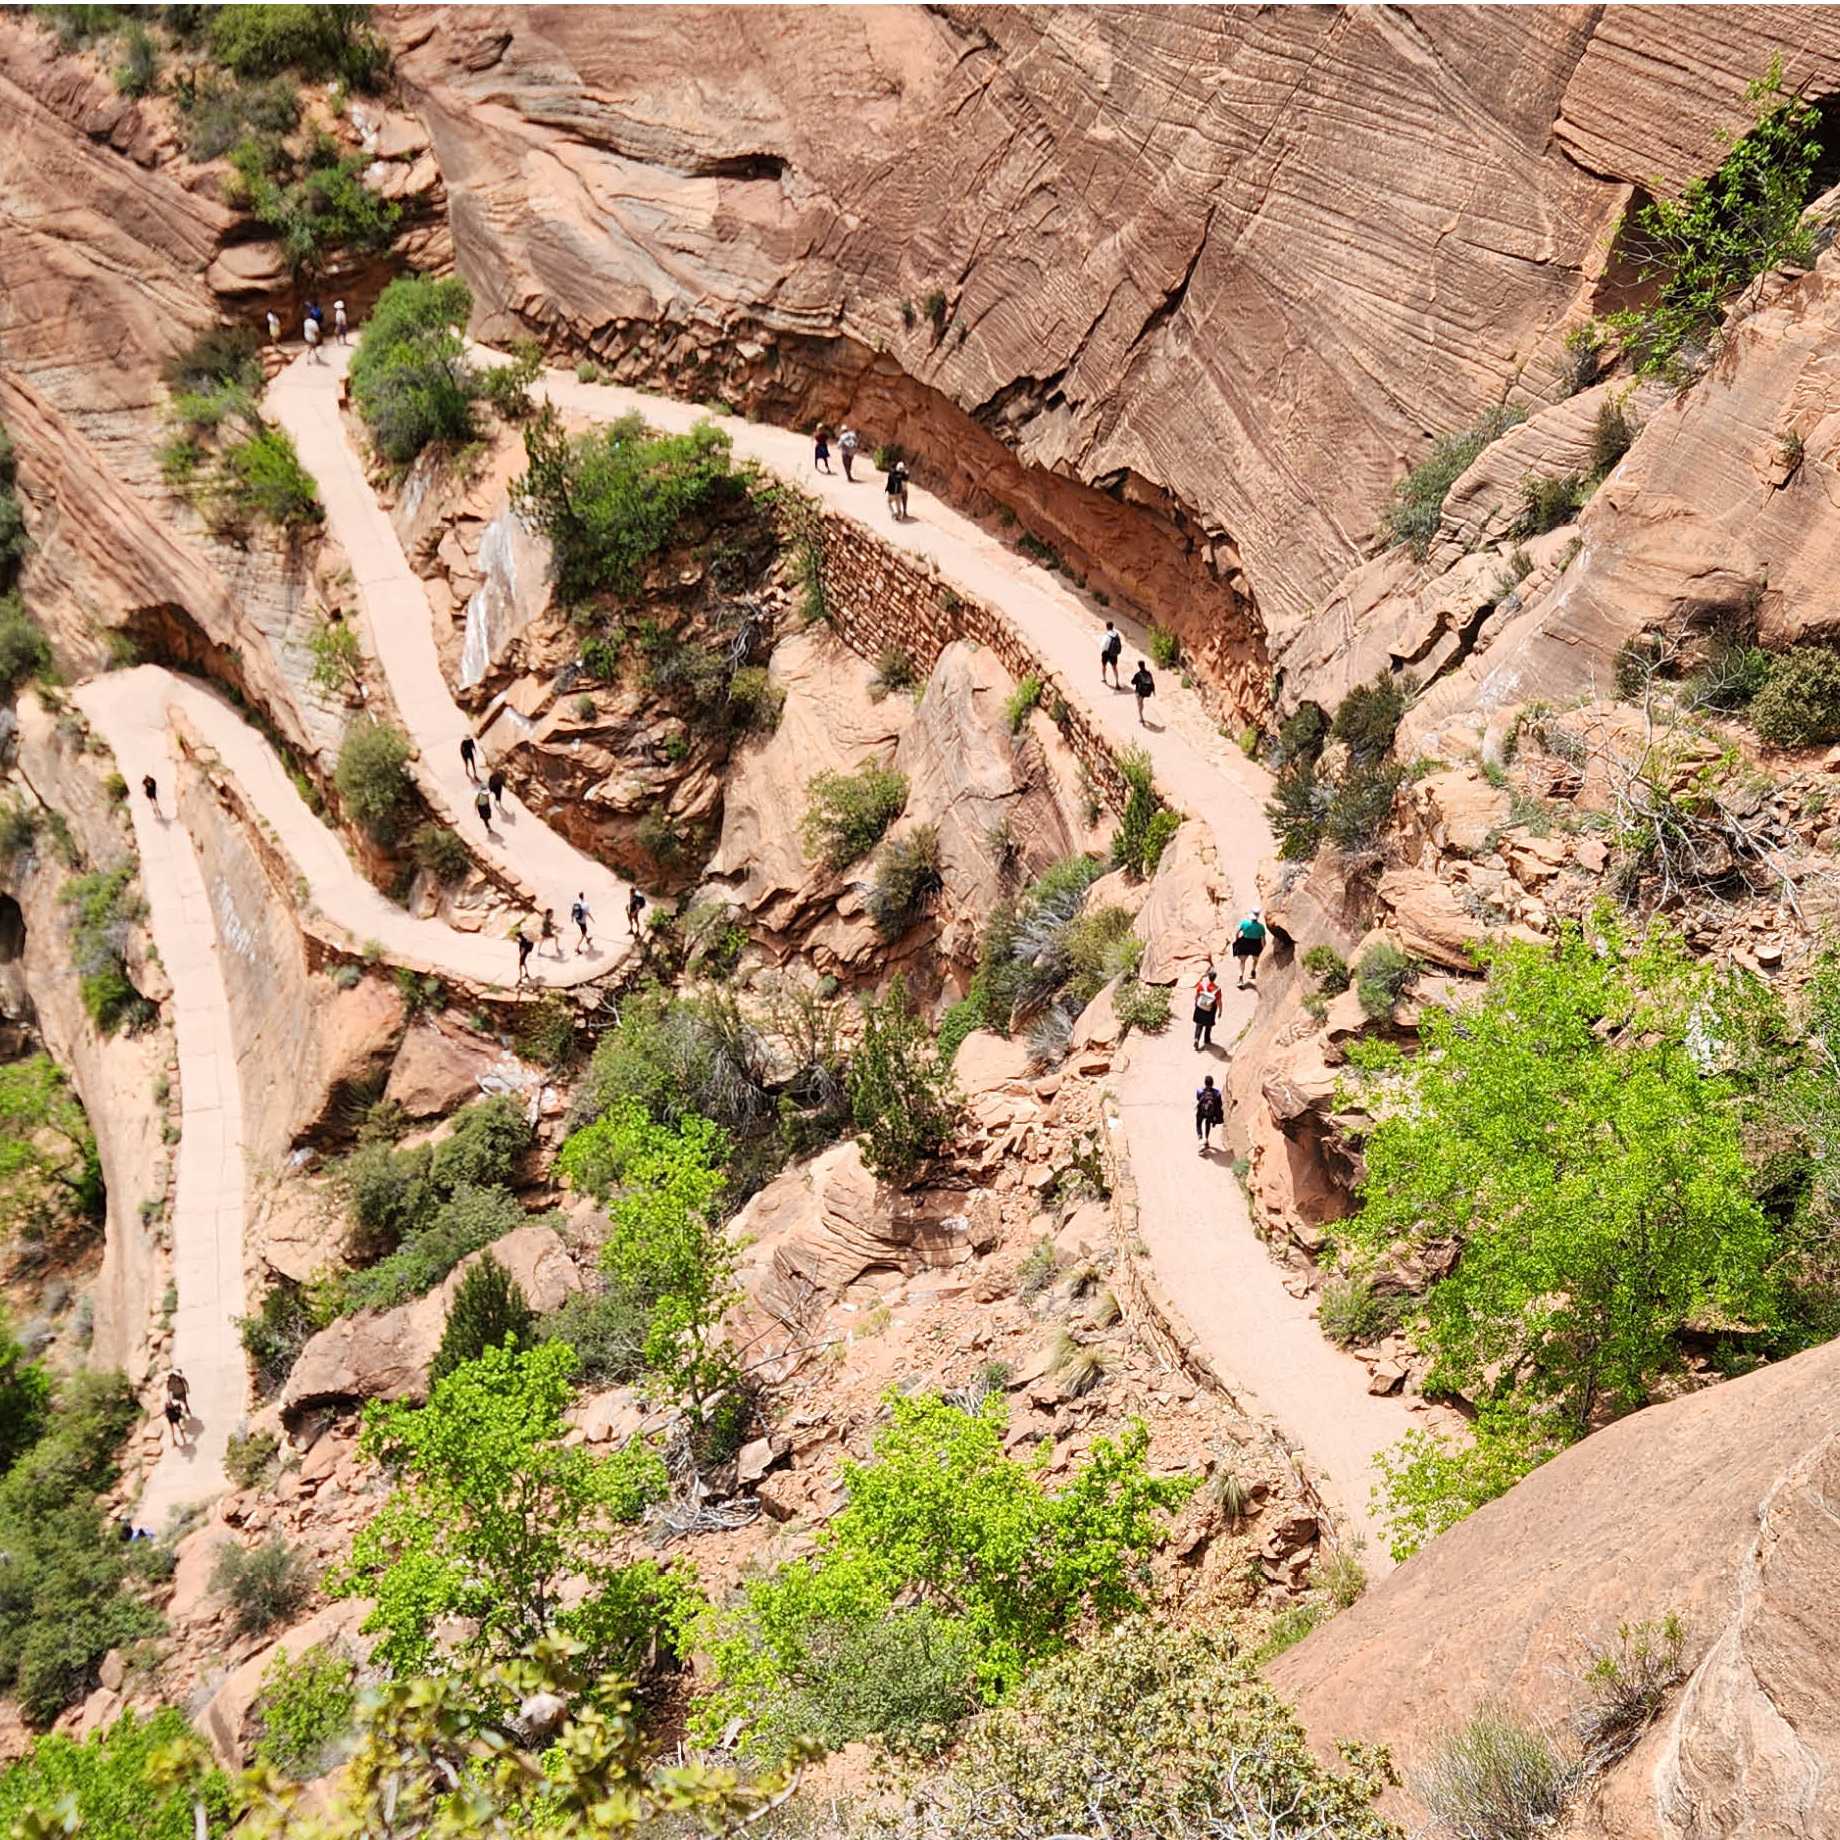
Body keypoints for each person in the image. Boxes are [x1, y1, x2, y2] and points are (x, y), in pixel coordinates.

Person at [1232, 908, 1267, 988]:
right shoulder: (1261, 927)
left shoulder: (1244, 923)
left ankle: (1241, 978)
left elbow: (1237, 932)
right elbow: (1262, 940)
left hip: (1245, 943)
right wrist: (1263, 949)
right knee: (1255, 959)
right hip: (1256, 944)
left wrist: (1237, 940)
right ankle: (1253, 970)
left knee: (1242, 961)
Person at [1193, 966, 1222, 1052]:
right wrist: (1220, 1011)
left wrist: (1196, 1003)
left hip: (1200, 1007)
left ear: (1208, 976)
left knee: (1199, 1024)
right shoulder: (1217, 989)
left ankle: (1196, 1039)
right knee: (1208, 1025)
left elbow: (1197, 995)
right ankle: (1207, 1039)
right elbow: (1219, 1001)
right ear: (1215, 978)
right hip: (1210, 1009)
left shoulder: (1201, 985)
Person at [1195, 1074, 1224, 1156]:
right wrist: (1216, 1117)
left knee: (1198, 1124)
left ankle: (1201, 1140)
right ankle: (1206, 1139)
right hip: (1211, 1113)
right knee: (1207, 1123)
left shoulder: (1200, 1091)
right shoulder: (1217, 1093)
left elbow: (1198, 1098)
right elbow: (1219, 1105)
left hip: (1201, 1111)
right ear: (1212, 1083)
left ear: (1205, 1083)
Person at [1131, 659, 1155, 725]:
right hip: (1145, 692)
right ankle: (1141, 713)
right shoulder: (1148, 673)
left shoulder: (1138, 674)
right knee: (1141, 703)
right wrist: (1153, 691)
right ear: (1144, 665)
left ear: (1139, 666)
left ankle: (1141, 718)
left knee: (1139, 704)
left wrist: (1136, 682)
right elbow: (1152, 682)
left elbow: (1132, 682)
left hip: (1139, 692)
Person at [1101, 621, 1123, 687]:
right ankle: (1117, 682)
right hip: (1114, 653)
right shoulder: (1116, 635)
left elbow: (1103, 646)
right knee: (1114, 667)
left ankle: (1104, 679)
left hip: (1106, 653)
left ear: (1107, 627)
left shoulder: (1107, 635)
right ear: (1112, 627)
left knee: (1104, 666)